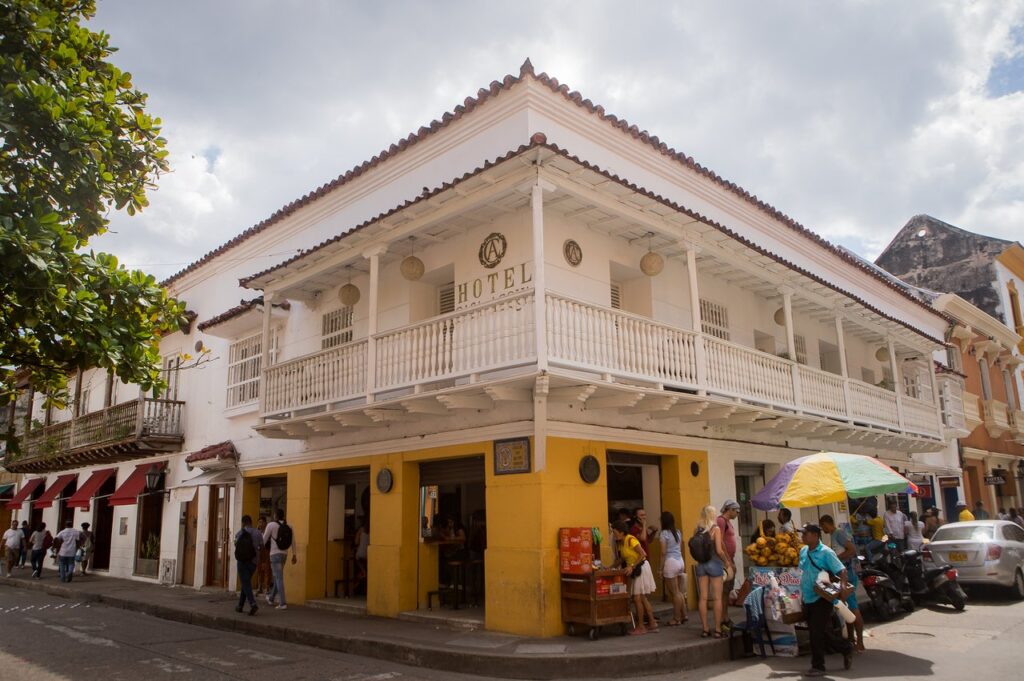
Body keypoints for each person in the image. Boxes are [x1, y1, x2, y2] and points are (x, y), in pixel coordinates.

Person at [799, 523, 853, 676]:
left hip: (822, 598)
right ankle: (845, 647)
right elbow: (803, 571)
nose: (802, 536)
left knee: (817, 633)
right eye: (802, 534)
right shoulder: (803, 551)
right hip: (808, 597)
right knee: (821, 632)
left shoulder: (826, 552)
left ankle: (818, 666)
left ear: (815, 536)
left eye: (805, 534)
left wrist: (842, 587)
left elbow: (841, 570)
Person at [820, 515, 864, 652]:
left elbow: (851, 550)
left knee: (853, 608)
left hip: (847, 576)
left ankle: (861, 643)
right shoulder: (834, 535)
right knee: (847, 609)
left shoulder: (838, 533)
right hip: (842, 576)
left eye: (823, 526)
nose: (822, 529)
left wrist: (835, 559)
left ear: (827, 523)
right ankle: (851, 638)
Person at [611, 519, 657, 635]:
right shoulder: (621, 542)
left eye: (615, 532)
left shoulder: (630, 539)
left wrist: (631, 566)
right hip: (636, 568)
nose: (614, 535)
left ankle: (641, 626)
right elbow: (622, 559)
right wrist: (610, 567)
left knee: (637, 598)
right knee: (642, 598)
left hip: (640, 568)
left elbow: (642, 554)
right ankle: (652, 623)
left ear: (622, 532)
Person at [694, 504, 729, 639]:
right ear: (713, 515)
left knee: (702, 598)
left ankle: (705, 629)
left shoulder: (697, 529)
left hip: (701, 565)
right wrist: (727, 562)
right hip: (714, 564)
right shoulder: (716, 529)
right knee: (717, 598)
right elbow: (719, 550)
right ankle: (718, 629)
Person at [263, 510, 297, 609]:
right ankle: (271, 598)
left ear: (276, 516)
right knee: (278, 576)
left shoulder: (271, 525)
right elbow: (293, 541)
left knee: (278, 578)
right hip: (284, 554)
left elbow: (264, 540)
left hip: (274, 554)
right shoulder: (289, 526)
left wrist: (258, 548)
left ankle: (282, 603)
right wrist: (294, 555)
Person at [658, 511, 688, 626]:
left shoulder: (664, 534)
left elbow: (663, 552)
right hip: (680, 561)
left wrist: (660, 569)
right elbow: (679, 548)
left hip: (670, 562)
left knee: (675, 593)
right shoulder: (678, 532)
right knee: (679, 592)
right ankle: (684, 615)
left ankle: (676, 618)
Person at [717, 500, 740, 628]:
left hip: (730, 559)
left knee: (727, 591)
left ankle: (725, 616)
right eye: (736, 511)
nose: (737, 513)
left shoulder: (728, 523)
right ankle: (721, 618)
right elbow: (720, 541)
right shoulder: (721, 521)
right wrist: (728, 561)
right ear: (729, 509)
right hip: (724, 561)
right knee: (723, 591)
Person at [234, 515, 263, 616]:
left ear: (243, 523)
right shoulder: (258, 533)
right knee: (245, 582)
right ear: (251, 522)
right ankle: (240, 606)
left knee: (246, 583)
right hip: (253, 563)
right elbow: (262, 546)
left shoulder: (239, 533)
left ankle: (252, 603)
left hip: (242, 562)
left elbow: (235, 544)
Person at [354, 516, 370, 595]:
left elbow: (356, 542)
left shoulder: (361, 530)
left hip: (361, 554)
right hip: (369, 555)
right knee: (366, 566)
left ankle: (363, 574)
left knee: (357, 559)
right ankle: (364, 573)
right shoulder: (372, 530)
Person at [255, 516, 271, 594]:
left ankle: (267, 587)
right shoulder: (257, 532)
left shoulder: (267, 532)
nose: (260, 524)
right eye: (259, 522)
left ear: (265, 523)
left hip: (266, 552)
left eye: (261, 522)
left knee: (267, 569)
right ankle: (259, 587)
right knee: (259, 570)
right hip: (259, 553)